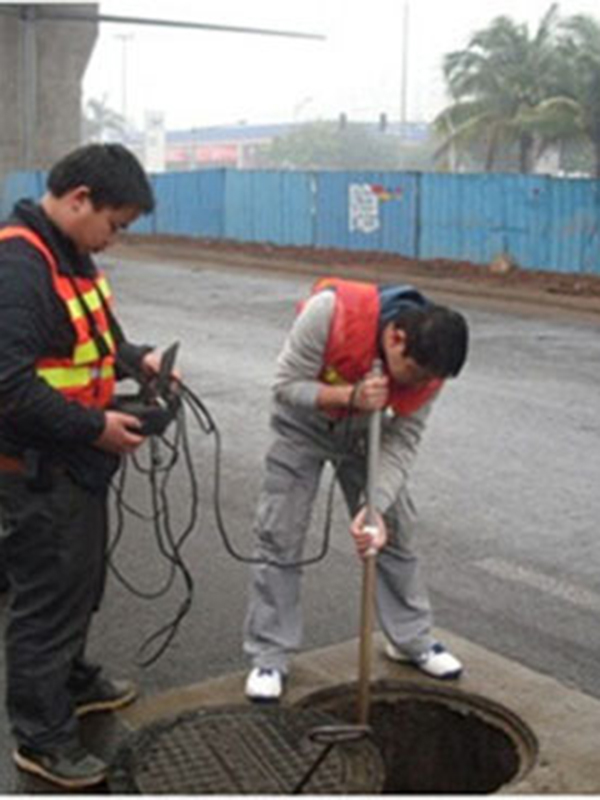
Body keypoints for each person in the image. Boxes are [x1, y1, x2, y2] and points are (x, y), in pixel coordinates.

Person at [0, 144, 167, 789]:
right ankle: (41, 739)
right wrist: (96, 427)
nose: (115, 240)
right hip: (38, 464)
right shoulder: (19, 264)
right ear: (79, 200)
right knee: (46, 598)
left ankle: (71, 680)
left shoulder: (72, 256)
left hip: (75, 463)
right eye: (114, 224)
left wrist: (136, 359)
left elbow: (96, 337)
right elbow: (9, 384)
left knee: (79, 582)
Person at [243, 276, 469, 702]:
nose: (418, 386)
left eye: (429, 380)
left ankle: (410, 639)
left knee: (395, 530)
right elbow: (286, 385)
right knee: (280, 533)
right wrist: (351, 395)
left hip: (368, 434)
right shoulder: (331, 312)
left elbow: (403, 442)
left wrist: (375, 508)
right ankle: (270, 655)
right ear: (396, 338)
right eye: (414, 374)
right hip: (304, 425)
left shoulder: (431, 370)